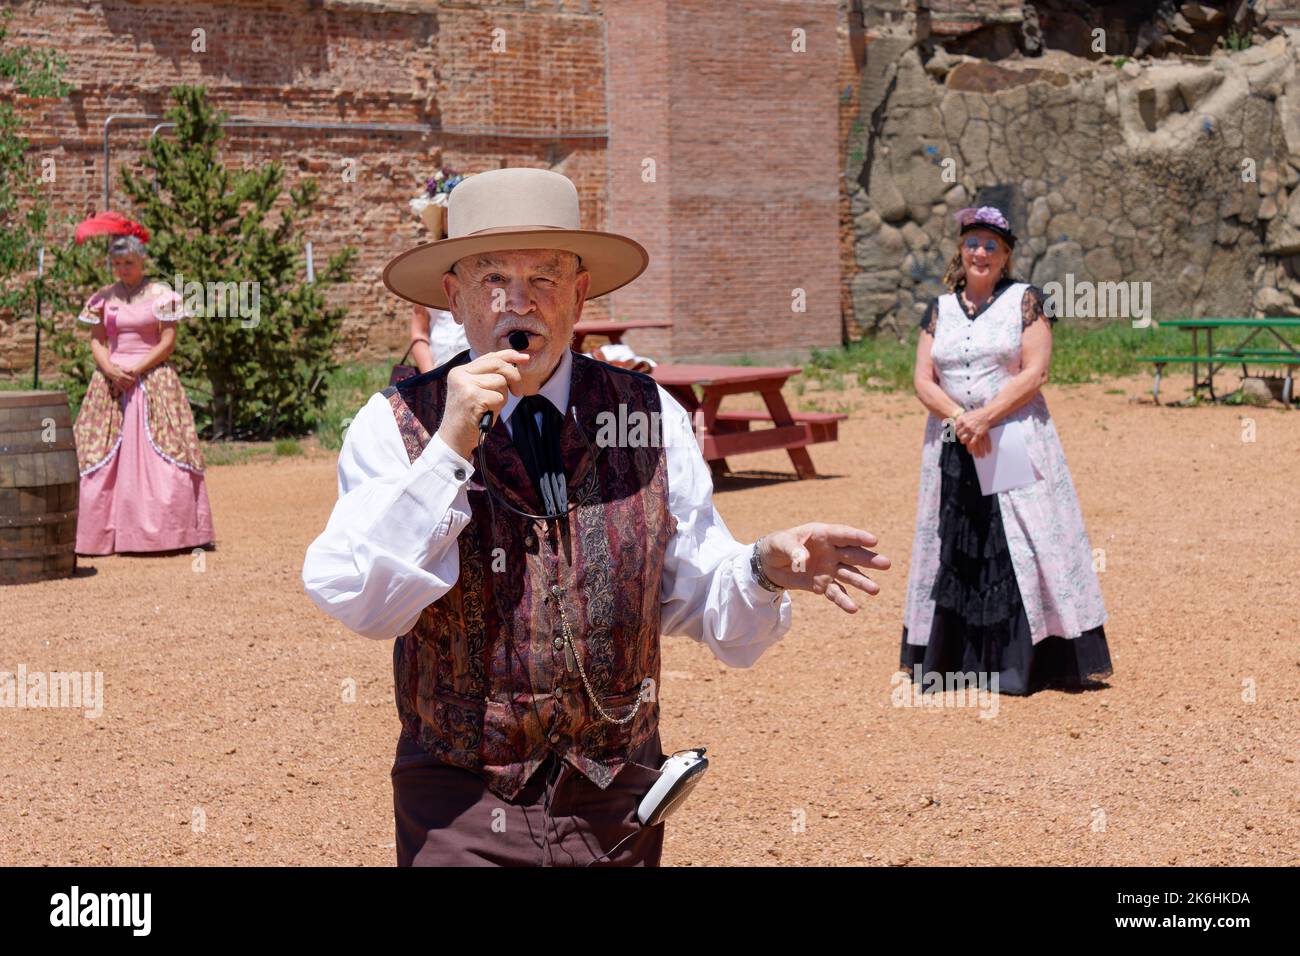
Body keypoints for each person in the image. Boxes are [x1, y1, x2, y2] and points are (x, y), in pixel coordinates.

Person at [302, 167, 892, 866]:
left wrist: (760, 568)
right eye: (492, 279)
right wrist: (449, 448)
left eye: (544, 279)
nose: (518, 302)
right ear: (453, 298)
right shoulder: (395, 425)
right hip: (461, 802)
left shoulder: (647, 417)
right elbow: (367, 604)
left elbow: (695, 588)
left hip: (618, 805)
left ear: (579, 296)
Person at [901, 205, 1111, 695]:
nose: (980, 252)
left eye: (991, 245)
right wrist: (959, 418)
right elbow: (921, 378)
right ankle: (952, 658)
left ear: (1006, 255)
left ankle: (1021, 663)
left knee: (1016, 540)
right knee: (956, 541)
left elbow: (1035, 372)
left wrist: (985, 418)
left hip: (1010, 433)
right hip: (953, 441)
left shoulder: (1024, 301)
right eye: (973, 242)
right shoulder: (940, 308)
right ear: (961, 249)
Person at [71, 223, 215, 556]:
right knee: (96, 453)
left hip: (151, 379)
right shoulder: (103, 298)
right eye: (118, 264)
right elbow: (97, 341)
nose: (123, 270)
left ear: (143, 262)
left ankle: (168, 533)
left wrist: (136, 369)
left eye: (129, 263)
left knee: (165, 451)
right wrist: (109, 368)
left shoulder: (161, 295)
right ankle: (99, 535)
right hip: (111, 380)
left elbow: (167, 341)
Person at [406, 303, 469, 373]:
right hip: (437, 369)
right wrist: (430, 375)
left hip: (476, 368)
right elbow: (419, 333)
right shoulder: (423, 293)